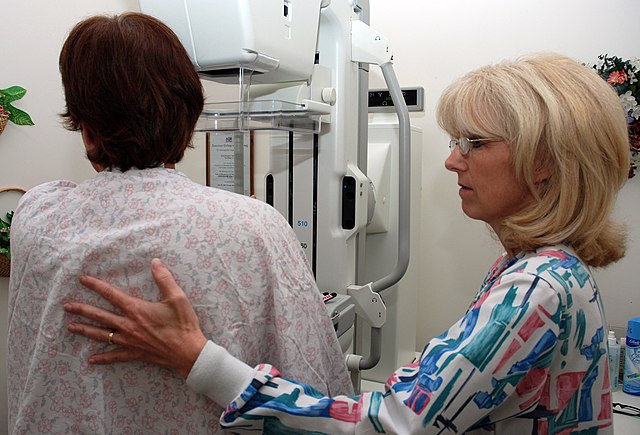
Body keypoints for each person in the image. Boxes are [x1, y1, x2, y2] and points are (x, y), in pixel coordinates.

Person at [63, 53, 630, 434]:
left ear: (546, 163)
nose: (452, 158)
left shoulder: (536, 289)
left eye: (473, 142)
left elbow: (385, 427)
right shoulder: (536, 269)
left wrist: (198, 359)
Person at [7, 12, 353, 434]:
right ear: (188, 116)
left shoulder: (37, 216)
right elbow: (314, 388)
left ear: (87, 132)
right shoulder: (253, 227)